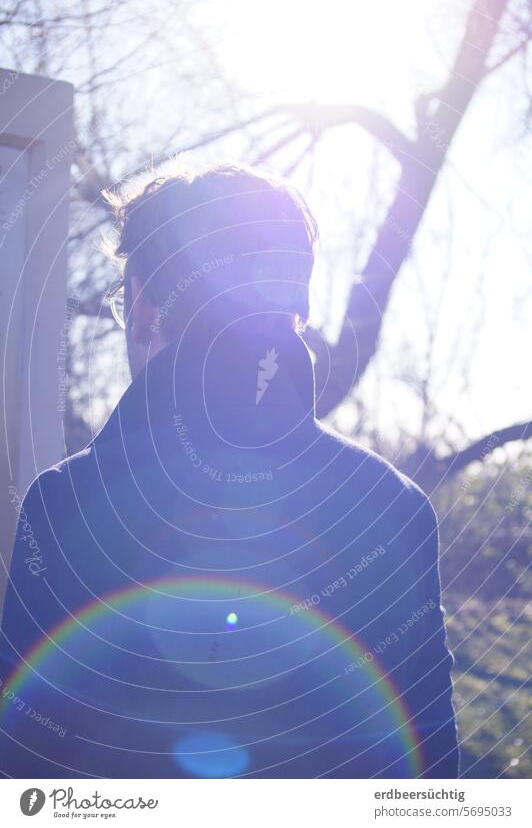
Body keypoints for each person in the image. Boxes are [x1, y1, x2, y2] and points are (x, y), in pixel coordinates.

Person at [0, 163, 459, 779]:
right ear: (293, 308)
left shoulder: (66, 503)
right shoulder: (391, 505)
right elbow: (429, 772)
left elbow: (22, 767)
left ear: (140, 306)